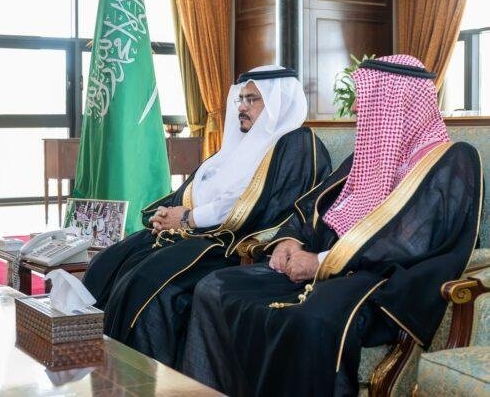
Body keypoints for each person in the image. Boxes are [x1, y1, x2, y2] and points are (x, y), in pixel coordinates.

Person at [182, 55, 483, 396]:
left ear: (398, 103)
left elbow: (410, 243)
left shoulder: (451, 160)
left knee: (306, 323)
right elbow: (314, 203)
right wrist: (289, 241)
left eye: (364, 98)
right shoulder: (365, 158)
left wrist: (322, 262)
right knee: (213, 287)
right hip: (321, 268)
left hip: (377, 281)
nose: (354, 109)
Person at [82, 65, 332, 366]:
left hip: (232, 243)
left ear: (280, 102)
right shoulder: (237, 147)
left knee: (151, 284)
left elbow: (265, 205)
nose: (242, 107)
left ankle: (140, 378)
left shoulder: (297, 143)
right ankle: (85, 359)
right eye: (241, 99)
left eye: (252, 99)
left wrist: (188, 218)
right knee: (111, 259)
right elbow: (198, 188)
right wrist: (167, 214)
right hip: (197, 234)